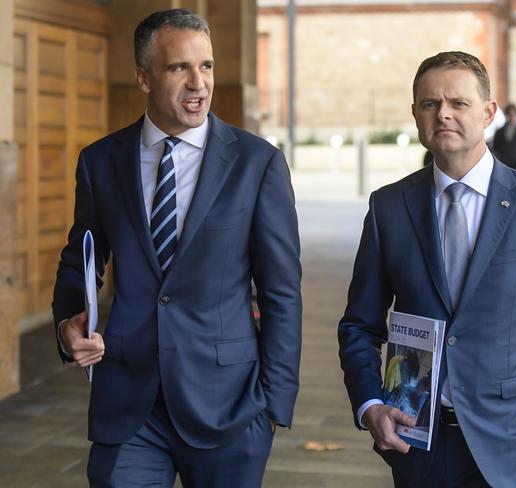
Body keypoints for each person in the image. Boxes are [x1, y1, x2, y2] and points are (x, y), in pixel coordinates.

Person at [338, 51, 516, 488]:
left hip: (509, 441)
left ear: (488, 113)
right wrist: (370, 403)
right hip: (417, 443)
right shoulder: (388, 207)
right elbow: (359, 324)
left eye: (458, 103)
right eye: (430, 104)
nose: (443, 114)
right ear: (415, 114)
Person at [52, 9, 301, 487]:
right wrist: (67, 324)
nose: (198, 83)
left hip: (228, 406)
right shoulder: (101, 161)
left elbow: (281, 292)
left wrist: (274, 403)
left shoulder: (257, 163)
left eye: (206, 66)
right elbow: (79, 259)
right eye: (178, 68)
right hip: (128, 404)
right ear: (143, 78)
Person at [490, 103, 516, 171]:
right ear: (506, 115)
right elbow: (495, 147)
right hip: (504, 164)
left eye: (514, 115)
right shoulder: (500, 131)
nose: (512, 117)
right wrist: (499, 159)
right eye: (509, 114)